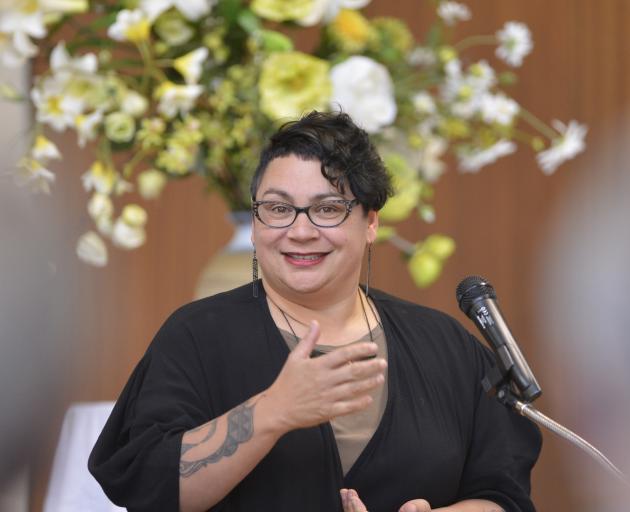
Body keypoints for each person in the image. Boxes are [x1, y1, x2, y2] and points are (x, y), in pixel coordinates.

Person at [89, 111, 541, 512]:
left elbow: (503, 493)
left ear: (371, 223)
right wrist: (274, 411)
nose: (300, 231)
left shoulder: (444, 344)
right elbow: (151, 487)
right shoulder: (196, 336)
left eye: (327, 208)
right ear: (256, 223)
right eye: (279, 208)